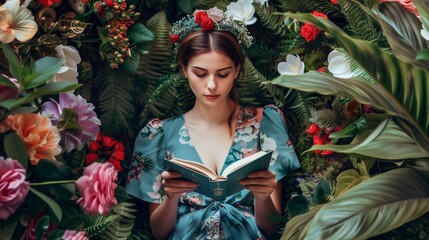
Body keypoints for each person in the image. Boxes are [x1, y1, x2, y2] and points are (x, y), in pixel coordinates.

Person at [126, 7, 300, 240]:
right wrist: (172, 198)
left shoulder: (265, 123)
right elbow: (159, 233)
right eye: (200, 73)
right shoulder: (158, 134)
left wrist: (262, 196)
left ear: (237, 70)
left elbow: (269, 228)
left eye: (222, 74)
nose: (211, 85)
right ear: (185, 69)